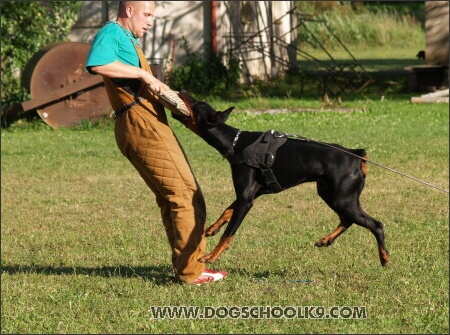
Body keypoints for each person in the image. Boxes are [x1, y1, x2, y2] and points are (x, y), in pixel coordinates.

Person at [85, 1, 227, 285]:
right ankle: (192, 272)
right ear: (128, 11)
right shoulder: (111, 33)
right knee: (185, 196)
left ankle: (187, 267)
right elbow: (98, 63)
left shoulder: (127, 38)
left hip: (146, 123)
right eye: (146, 15)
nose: (150, 21)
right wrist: (143, 74)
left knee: (172, 197)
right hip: (141, 126)